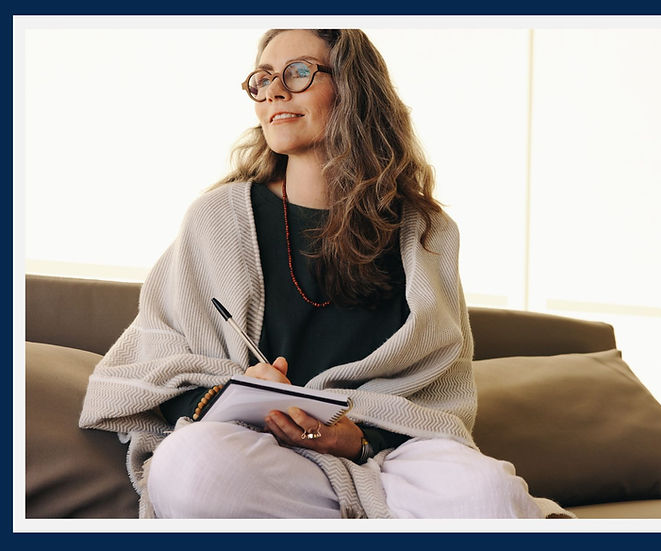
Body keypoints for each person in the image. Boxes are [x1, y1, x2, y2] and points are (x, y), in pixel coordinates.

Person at [79, 28, 569, 519]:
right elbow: (152, 361)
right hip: (259, 452)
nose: (273, 91)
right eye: (262, 79)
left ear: (354, 88)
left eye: (297, 73)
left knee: (489, 492)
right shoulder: (218, 219)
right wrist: (231, 392)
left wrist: (358, 436)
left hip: (391, 460)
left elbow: (440, 393)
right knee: (189, 467)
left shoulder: (427, 233)